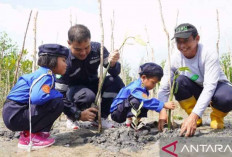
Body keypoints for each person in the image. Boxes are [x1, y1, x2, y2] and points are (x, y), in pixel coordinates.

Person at [158, 23, 232, 137]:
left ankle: (216, 117)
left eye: (186, 40)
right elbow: (164, 88)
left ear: (197, 38)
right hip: (196, 91)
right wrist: (162, 111)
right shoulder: (174, 59)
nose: (182, 45)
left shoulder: (208, 53)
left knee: (227, 96)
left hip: (217, 89)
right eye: (178, 41)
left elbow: (209, 87)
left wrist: (194, 115)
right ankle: (196, 119)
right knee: (178, 82)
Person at [56, 24, 125, 129]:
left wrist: (113, 63)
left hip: (94, 85)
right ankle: (72, 119)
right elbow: (59, 94)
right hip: (74, 91)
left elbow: (114, 72)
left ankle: (101, 118)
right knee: (87, 96)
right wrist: (76, 113)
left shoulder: (98, 49)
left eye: (86, 47)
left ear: (90, 41)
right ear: (69, 44)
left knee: (115, 81)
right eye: (78, 49)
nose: (83, 53)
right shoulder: (65, 61)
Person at [2, 44, 69, 149]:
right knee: (57, 102)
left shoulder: (42, 73)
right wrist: (57, 94)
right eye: (64, 60)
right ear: (53, 60)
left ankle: (36, 133)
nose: (66, 64)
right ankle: (30, 137)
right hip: (15, 113)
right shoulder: (46, 75)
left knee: (55, 100)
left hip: (12, 112)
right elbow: (37, 97)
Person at [110, 63, 175, 131]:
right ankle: (128, 125)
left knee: (144, 104)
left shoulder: (142, 87)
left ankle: (133, 125)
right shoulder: (136, 87)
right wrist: (163, 105)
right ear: (143, 77)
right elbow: (144, 101)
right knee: (138, 101)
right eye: (153, 82)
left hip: (123, 111)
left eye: (156, 83)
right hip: (117, 113)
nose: (154, 86)